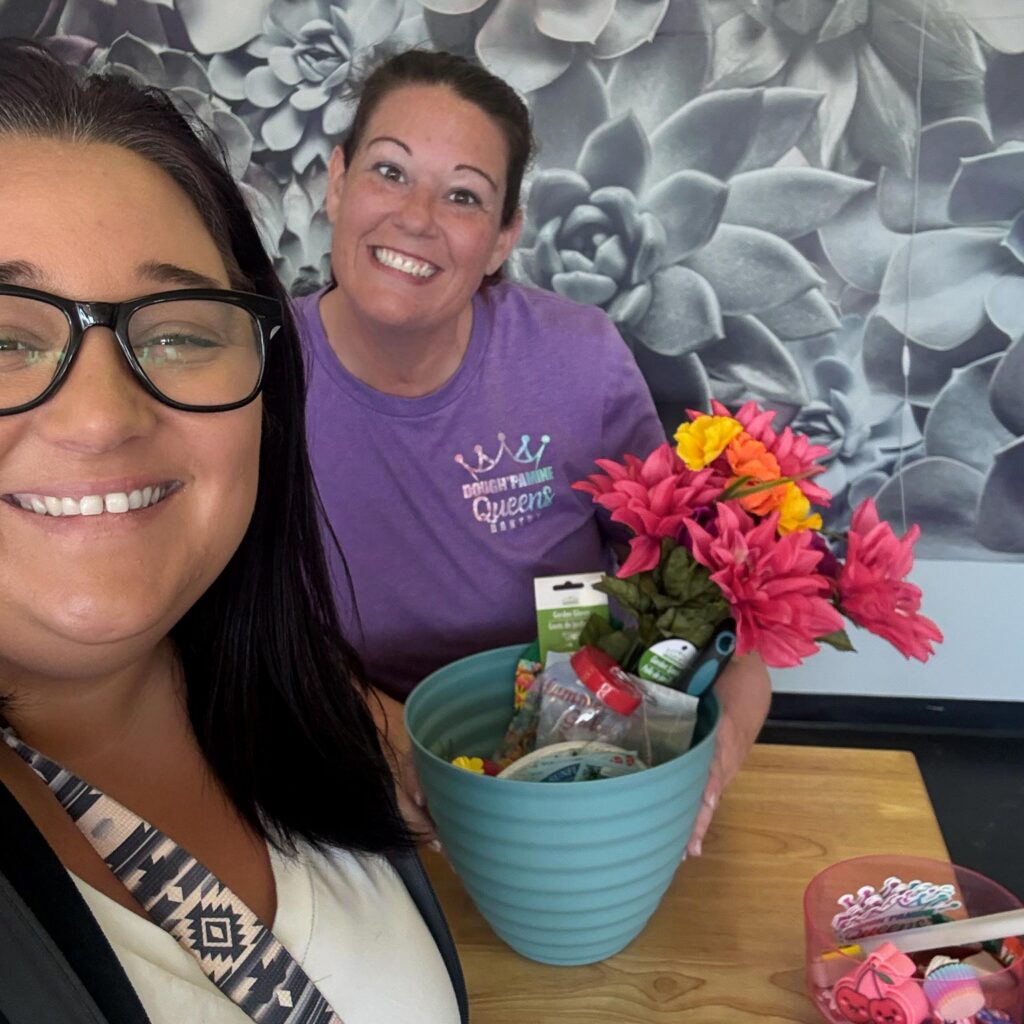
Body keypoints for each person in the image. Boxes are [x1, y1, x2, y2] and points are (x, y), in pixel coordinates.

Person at [0, 40, 464, 1024]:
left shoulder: (295, 698)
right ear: (338, 186)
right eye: (2, 338)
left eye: (175, 332)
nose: (100, 416)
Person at [295, 49, 772, 857]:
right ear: (337, 182)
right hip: (344, 779)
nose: (416, 217)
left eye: (463, 195)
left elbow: (714, 606)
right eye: (389, 171)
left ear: (503, 235)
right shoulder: (254, 373)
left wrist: (706, 755)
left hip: (585, 780)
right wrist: (389, 738)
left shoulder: (576, 357)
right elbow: (235, 627)